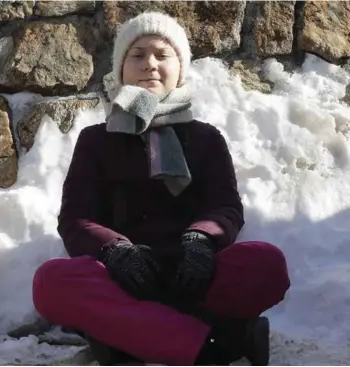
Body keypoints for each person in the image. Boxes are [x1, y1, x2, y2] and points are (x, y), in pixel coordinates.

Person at [31, 12, 291, 366]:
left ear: (180, 68)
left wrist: (201, 241)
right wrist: (116, 251)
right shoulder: (96, 141)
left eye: (161, 55)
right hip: (124, 280)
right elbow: (76, 218)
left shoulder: (206, 138)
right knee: (51, 283)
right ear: (121, 68)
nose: (150, 65)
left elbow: (226, 207)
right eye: (137, 55)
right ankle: (215, 348)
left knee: (266, 263)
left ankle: (130, 341)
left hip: (196, 276)